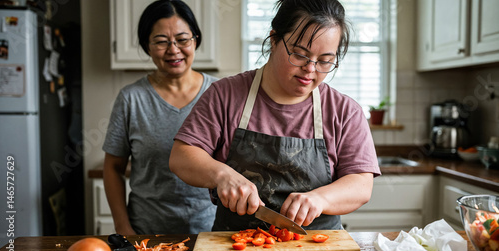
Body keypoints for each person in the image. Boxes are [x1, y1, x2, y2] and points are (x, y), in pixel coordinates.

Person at [170, 0, 381, 231]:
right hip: (236, 250)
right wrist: (221, 175)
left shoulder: (345, 111)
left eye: (324, 61)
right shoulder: (225, 95)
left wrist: (321, 199)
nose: (310, 69)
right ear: (274, 39)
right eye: (300, 55)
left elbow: (361, 184)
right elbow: (182, 156)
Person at [102, 0, 217, 235]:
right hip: (147, 231)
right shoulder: (131, 99)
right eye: (161, 42)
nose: (173, 50)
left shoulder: (219, 94)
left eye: (183, 39)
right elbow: (113, 167)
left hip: (211, 230)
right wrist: (123, 228)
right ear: (147, 45)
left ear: (196, 39)